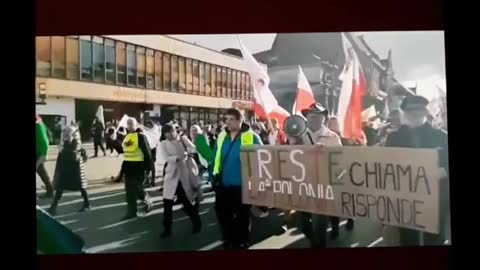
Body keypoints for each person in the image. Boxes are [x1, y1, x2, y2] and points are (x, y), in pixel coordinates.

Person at [384, 95, 449, 246]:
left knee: (434, 238)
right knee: (408, 237)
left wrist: (440, 172)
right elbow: (385, 166)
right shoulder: (393, 138)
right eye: (411, 111)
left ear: (425, 112)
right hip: (404, 198)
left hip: (435, 197)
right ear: (404, 113)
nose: (415, 114)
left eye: (419, 110)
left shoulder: (441, 137)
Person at [212, 108, 262, 249]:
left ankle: (243, 242)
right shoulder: (222, 136)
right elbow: (216, 157)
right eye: (225, 119)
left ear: (241, 120)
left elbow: (262, 161)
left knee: (242, 217)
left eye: (231, 119)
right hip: (223, 185)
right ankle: (228, 240)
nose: (227, 123)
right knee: (222, 215)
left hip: (243, 186)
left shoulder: (252, 137)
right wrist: (213, 177)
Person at [296, 103, 342, 248]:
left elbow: (340, 160)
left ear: (324, 118)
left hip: (323, 185)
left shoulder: (333, 137)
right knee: (303, 223)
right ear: (306, 117)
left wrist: (325, 153)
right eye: (311, 115)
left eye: (318, 116)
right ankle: (313, 238)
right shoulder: (299, 135)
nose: (314, 118)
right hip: (304, 184)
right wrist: (291, 142)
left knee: (320, 225)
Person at [158, 124, 202, 238]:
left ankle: (196, 222)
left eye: (171, 132)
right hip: (171, 175)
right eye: (167, 133)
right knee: (167, 204)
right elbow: (164, 158)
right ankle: (167, 229)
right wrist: (177, 157)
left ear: (175, 131)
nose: (170, 135)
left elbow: (193, 148)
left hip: (183, 175)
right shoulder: (163, 144)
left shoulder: (183, 139)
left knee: (186, 202)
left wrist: (188, 152)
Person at [48, 125, 90, 216]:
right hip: (67, 166)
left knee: (80, 185)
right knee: (61, 185)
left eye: (66, 134)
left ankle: (87, 203)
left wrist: (63, 147)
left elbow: (72, 151)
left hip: (75, 166)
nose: (64, 136)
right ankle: (53, 206)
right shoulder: (70, 140)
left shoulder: (75, 141)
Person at [326, 116, 355, 239]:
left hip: (345, 174)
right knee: (333, 203)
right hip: (330, 174)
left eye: (334, 123)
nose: (332, 126)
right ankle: (335, 228)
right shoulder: (324, 139)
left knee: (346, 200)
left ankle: (350, 219)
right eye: (330, 123)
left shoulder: (346, 138)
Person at [119, 117, 153, 220]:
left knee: (137, 187)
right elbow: (123, 151)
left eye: (131, 124)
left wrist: (148, 169)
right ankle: (131, 212)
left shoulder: (141, 137)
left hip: (139, 167)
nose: (129, 126)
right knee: (129, 190)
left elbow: (147, 153)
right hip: (128, 167)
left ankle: (147, 199)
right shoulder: (126, 137)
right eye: (128, 124)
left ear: (136, 125)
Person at [36, 115, 54, 198]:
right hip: (40, 152)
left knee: (41, 171)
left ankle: (50, 191)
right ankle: (50, 190)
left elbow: (44, 140)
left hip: (40, 153)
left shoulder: (38, 127)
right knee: (41, 172)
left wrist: (44, 154)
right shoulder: (41, 125)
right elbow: (49, 136)